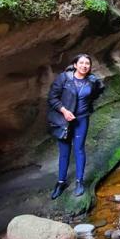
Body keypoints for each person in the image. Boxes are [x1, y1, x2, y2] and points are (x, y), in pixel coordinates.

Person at [47, 53, 104, 199]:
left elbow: (98, 91)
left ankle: (80, 181)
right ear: (75, 65)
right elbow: (52, 98)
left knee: (79, 149)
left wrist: (87, 106)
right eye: (82, 63)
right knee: (64, 151)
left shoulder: (92, 81)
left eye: (87, 64)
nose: (85, 66)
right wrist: (64, 111)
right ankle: (61, 182)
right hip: (65, 120)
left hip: (82, 119)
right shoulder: (64, 78)